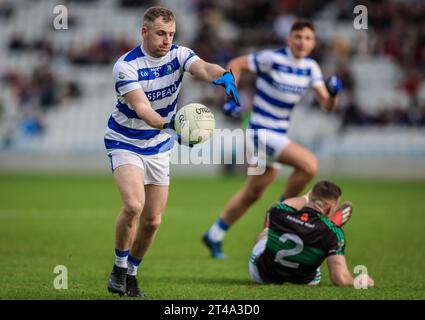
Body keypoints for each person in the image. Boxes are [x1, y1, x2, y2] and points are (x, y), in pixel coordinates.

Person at [105, 6, 240, 297]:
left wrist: (223, 76)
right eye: (161, 34)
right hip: (125, 140)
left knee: (153, 221)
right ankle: (118, 267)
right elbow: (143, 109)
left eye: (171, 34)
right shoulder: (126, 66)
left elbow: (203, 67)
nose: (167, 40)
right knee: (133, 206)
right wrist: (172, 125)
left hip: (158, 144)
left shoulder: (178, 54)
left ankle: (131, 274)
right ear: (144, 32)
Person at [203, 20, 343, 258]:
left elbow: (327, 105)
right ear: (288, 40)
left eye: (307, 38)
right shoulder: (272, 59)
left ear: (313, 43)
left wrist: (333, 94)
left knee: (253, 193)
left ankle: (214, 234)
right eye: (297, 36)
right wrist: (231, 95)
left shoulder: (310, 68)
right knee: (309, 165)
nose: (302, 42)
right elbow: (236, 64)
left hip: (277, 134)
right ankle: (284, 212)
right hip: (260, 131)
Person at [249, 180, 375, 287]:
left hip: (262, 275)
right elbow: (340, 279)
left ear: (310, 198)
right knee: (327, 240)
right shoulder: (334, 233)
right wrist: (358, 281)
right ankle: (331, 223)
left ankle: (270, 229)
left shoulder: (278, 212)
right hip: (304, 281)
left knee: (265, 234)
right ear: (330, 208)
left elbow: (285, 203)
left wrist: (306, 197)